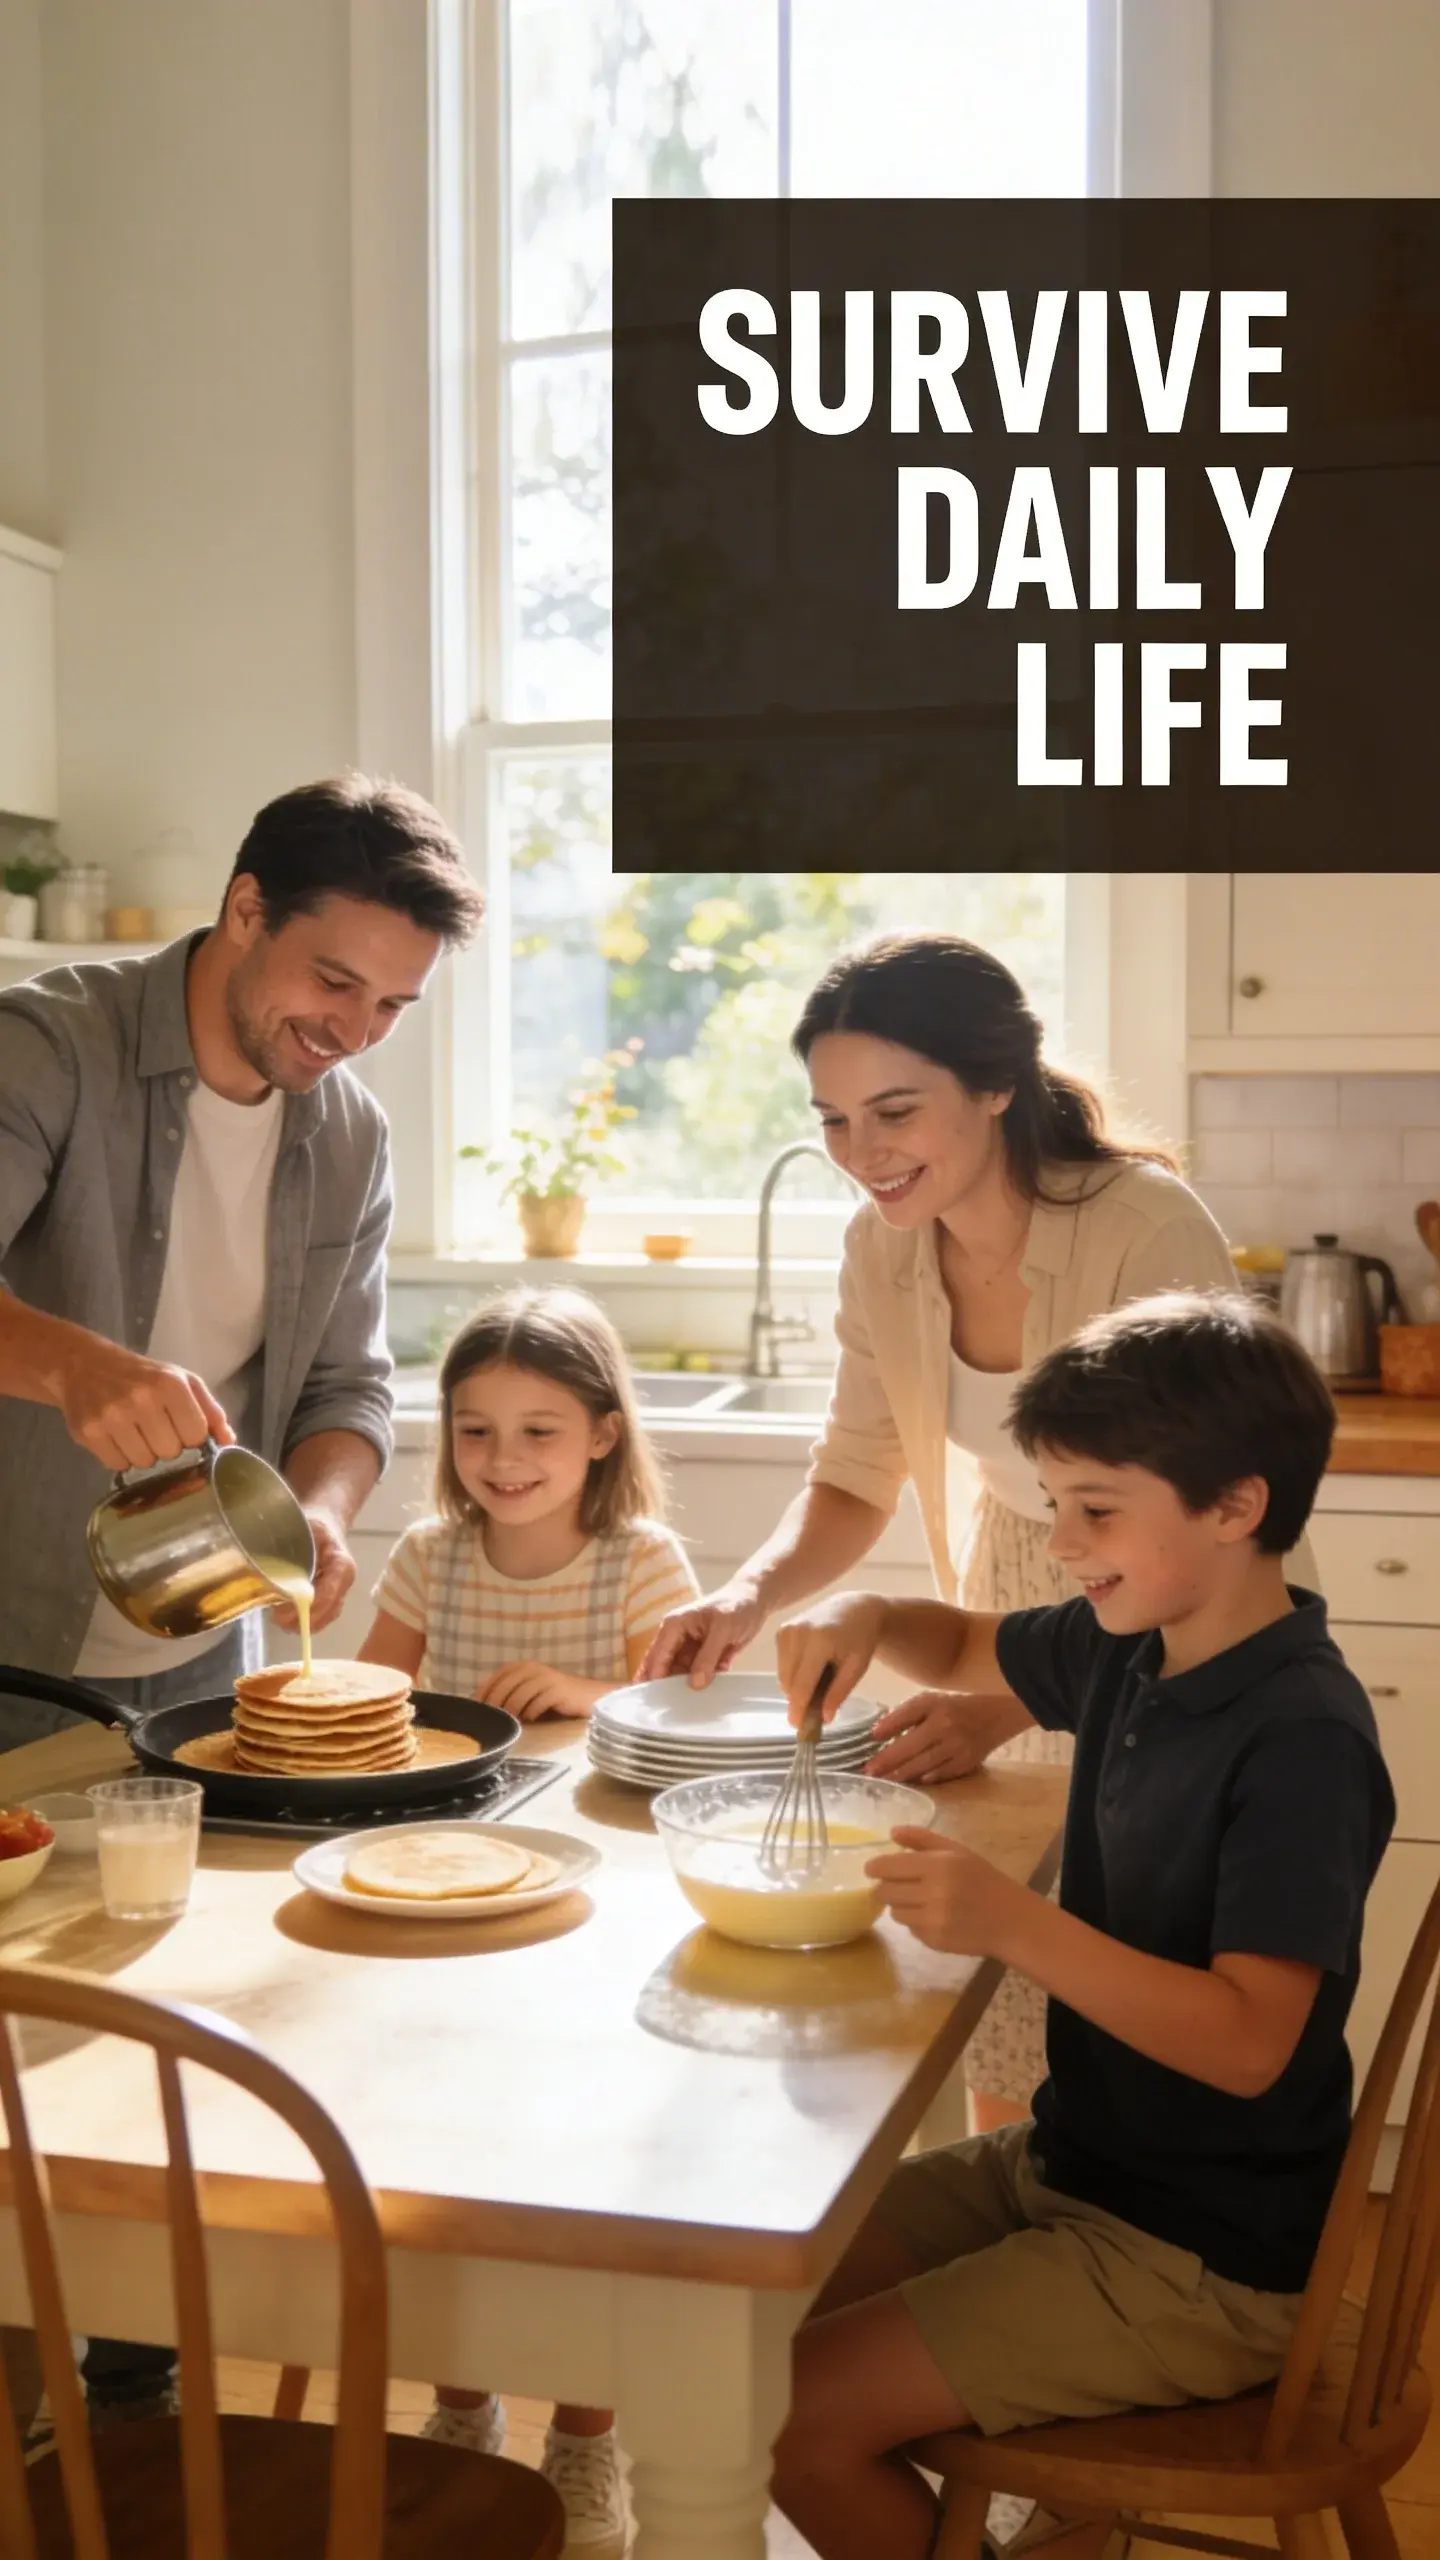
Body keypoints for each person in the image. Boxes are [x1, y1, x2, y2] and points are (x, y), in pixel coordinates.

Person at [0, 770, 483, 2433]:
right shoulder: (49, 1045)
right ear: (246, 907)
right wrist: (73, 1366)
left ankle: (126, 2422)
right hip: (5, 1642)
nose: (354, 1027)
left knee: (147, 2047)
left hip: (193, 1652)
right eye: (333, 981)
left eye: (397, 1004)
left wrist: (332, 1511)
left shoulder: (346, 1130)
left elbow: (350, 1381)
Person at [765, 1293, 1395, 2560]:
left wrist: (1012, 1922)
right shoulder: (1139, 1643)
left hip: (1207, 2259)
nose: (1061, 1542)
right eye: (1054, 1503)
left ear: (1237, 1504)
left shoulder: (1302, 1738)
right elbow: (960, 1639)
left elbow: (1249, 2046)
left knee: (787, 2419)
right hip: (1076, 2171)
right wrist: (871, 1617)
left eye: (1095, 1509)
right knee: (742, 2306)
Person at [643, 931, 1236, 2132]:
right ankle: (1005, 2231)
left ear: (997, 1083)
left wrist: (1024, 1696)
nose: (863, 1154)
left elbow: (1197, 1526)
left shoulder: (1144, 1228)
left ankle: (1151, 2285)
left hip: (1179, 1628)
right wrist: (746, 1599)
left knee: (1145, 1984)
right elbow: (856, 1473)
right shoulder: (884, 1247)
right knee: (1010, 1997)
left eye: (896, 1111)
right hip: (1017, 1591)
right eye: (834, 1120)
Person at [358, 1283, 699, 2560]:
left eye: (540, 1431)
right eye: (476, 1429)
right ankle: (459, 2407)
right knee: (445, 2172)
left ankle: (585, 2434)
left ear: (604, 1434)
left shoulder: (640, 1559)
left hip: (591, 1907)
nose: (503, 1461)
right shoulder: (427, 1556)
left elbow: (678, 1719)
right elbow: (375, 1700)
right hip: (443, 1902)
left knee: (583, 2177)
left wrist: (586, 1686)